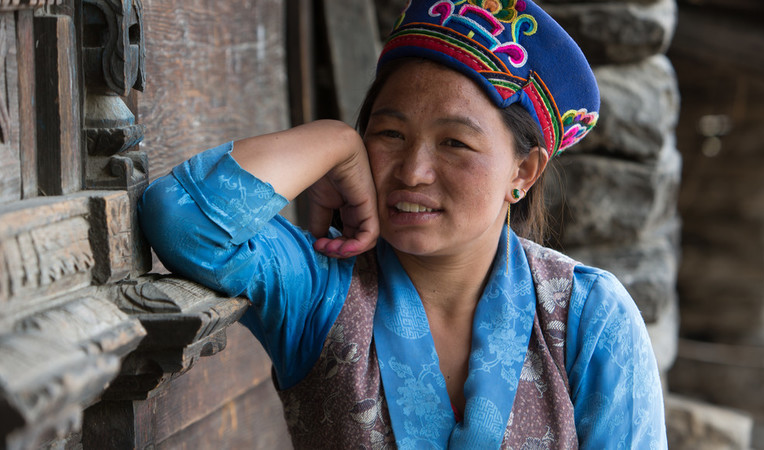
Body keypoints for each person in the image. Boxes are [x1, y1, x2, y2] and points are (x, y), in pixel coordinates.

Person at [139, 0, 667, 448]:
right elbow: (181, 216)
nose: (412, 172)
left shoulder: (587, 319)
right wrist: (333, 142)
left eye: (455, 142)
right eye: (389, 133)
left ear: (522, 172)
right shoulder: (320, 288)